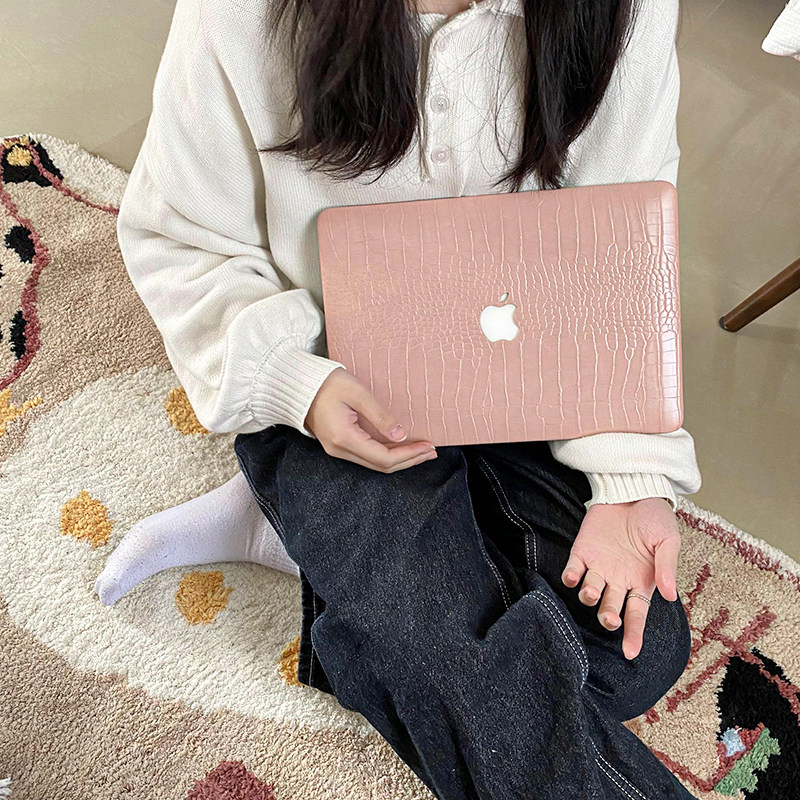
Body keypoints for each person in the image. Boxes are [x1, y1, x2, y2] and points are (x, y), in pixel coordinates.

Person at [113, 0, 703, 796]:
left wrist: (630, 477)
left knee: (634, 657)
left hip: (533, 378)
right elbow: (179, 239)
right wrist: (297, 385)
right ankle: (326, 532)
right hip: (335, 391)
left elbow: (624, 232)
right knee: (455, 656)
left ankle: (308, 542)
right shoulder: (239, 14)